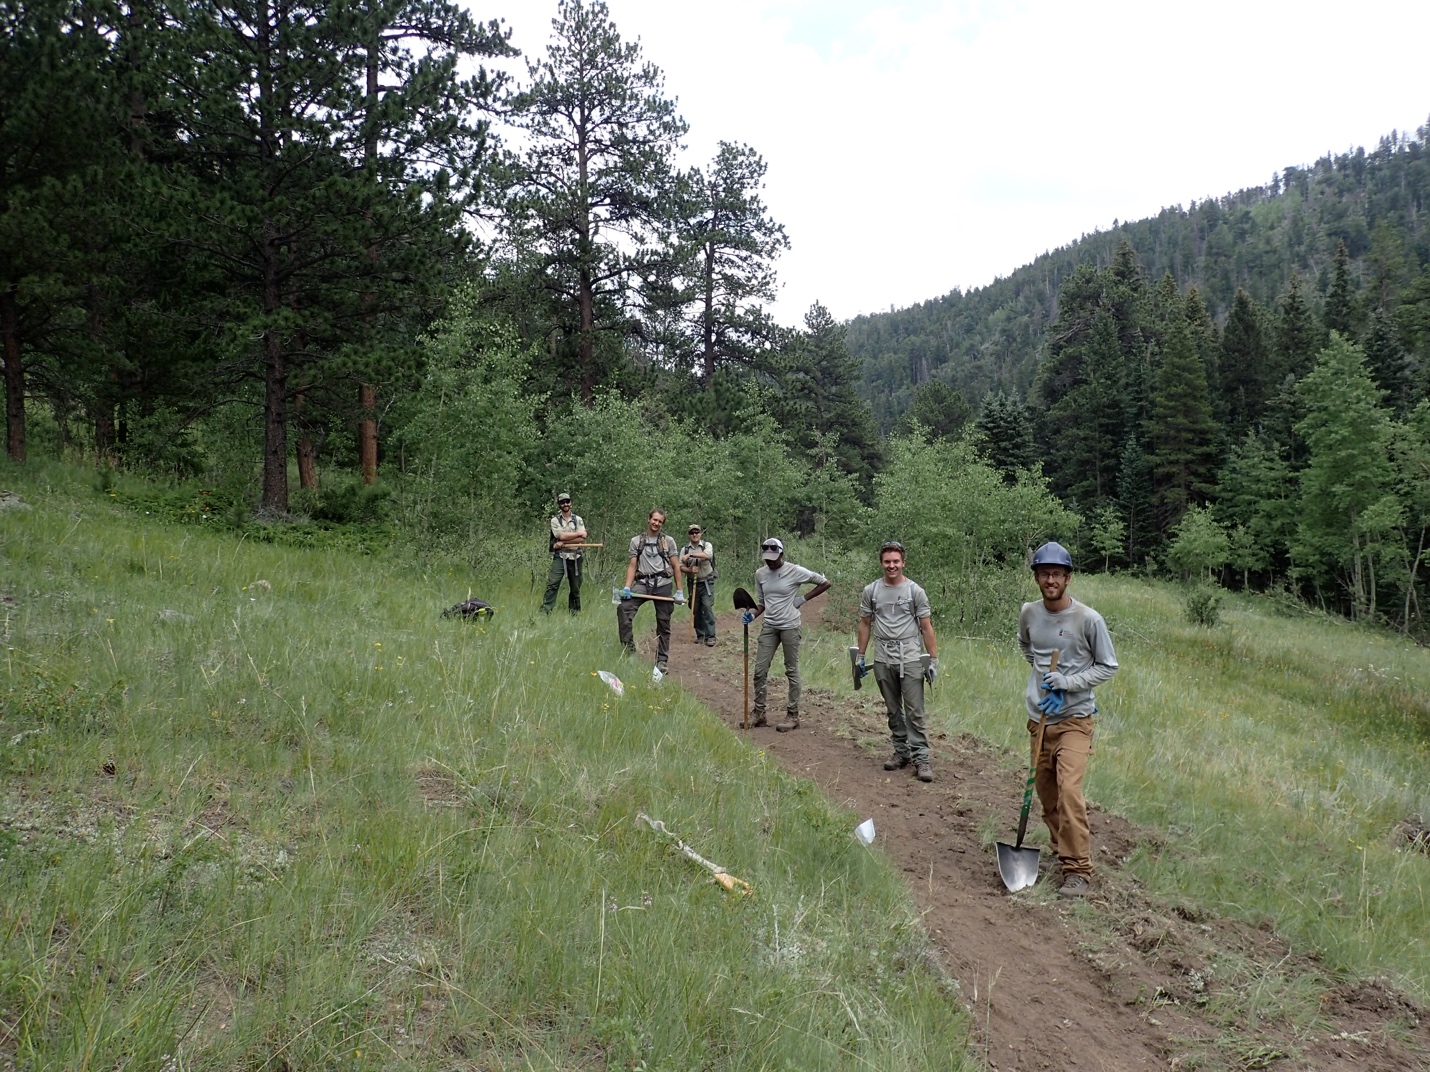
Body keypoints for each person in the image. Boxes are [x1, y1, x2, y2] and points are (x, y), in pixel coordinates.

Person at [1017, 541, 1119, 898]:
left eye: (1057, 574)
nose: (1050, 579)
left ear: (1068, 578)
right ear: (1037, 577)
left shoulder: (1088, 619)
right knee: (1048, 797)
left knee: (1070, 792)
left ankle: (1079, 871)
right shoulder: (1029, 613)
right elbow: (1027, 646)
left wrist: (1069, 682)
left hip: (1076, 720)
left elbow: (1108, 665)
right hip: (1039, 720)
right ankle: (1064, 854)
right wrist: (1041, 674)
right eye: (1044, 573)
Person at [855, 541, 939, 783]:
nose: (891, 566)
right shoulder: (871, 591)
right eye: (887, 562)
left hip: (911, 657)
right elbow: (865, 623)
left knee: (914, 710)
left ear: (903, 562)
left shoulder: (915, 592)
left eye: (895, 561)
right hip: (883, 657)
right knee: (893, 709)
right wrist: (860, 656)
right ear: (881, 563)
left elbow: (926, 627)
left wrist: (932, 660)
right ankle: (901, 753)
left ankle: (921, 759)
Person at [743, 537, 831, 732]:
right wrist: (751, 615)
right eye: (767, 558)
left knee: (791, 670)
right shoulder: (760, 574)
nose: (770, 561)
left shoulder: (795, 570)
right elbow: (761, 603)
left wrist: (803, 598)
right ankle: (759, 713)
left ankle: (793, 715)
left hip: (790, 625)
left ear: (781, 554)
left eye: (774, 557)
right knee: (759, 670)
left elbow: (824, 583)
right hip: (770, 626)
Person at [617, 509, 685, 673]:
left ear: (662, 524)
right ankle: (629, 651)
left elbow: (676, 566)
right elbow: (633, 565)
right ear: (648, 519)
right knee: (624, 609)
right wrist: (627, 586)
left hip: (663, 584)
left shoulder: (668, 541)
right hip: (642, 583)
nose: (656, 523)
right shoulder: (636, 541)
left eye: (660, 521)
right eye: (654, 520)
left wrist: (679, 591)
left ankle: (662, 661)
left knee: (664, 623)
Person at [541, 492, 587, 614]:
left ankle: (575, 613)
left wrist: (565, 539)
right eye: (562, 502)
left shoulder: (578, 520)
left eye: (567, 501)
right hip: (560, 556)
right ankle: (546, 610)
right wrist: (576, 534)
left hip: (576, 556)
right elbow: (560, 535)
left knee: (575, 587)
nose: (565, 504)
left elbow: (583, 538)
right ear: (559, 505)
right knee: (553, 583)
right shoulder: (555, 520)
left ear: (570, 503)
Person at [681, 524, 717, 646]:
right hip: (693, 582)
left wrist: (691, 556)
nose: (695, 534)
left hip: (707, 581)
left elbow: (707, 555)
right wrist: (690, 571)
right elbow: (680, 566)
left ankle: (711, 636)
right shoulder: (685, 549)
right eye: (692, 532)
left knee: (707, 606)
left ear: (700, 533)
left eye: (697, 532)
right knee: (695, 608)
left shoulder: (707, 545)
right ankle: (700, 635)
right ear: (689, 534)